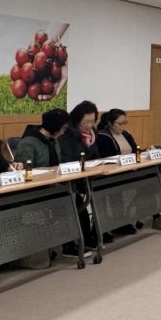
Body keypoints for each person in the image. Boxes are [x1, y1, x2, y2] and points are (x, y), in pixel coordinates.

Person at [59, 100, 109, 255]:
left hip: (88, 175)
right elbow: (67, 160)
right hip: (72, 178)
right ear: (77, 119)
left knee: (107, 189)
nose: (90, 125)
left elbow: (96, 155)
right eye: (86, 121)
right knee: (76, 201)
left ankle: (97, 232)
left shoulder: (92, 134)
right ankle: (78, 240)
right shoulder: (67, 135)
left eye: (93, 121)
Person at [95, 108, 138, 235]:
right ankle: (119, 222)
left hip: (130, 170)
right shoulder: (103, 136)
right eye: (120, 123)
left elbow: (135, 151)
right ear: (110, 123)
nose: (123, 126)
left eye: (125, 122)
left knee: (152, 178)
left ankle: (149, 212)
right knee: (117, 188)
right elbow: (109, 159)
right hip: (115, 174)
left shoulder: (126, 134)